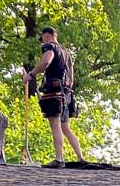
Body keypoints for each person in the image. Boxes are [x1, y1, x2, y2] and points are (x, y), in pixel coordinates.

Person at [22, 27, 84, 168]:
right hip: (66, 94)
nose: (42, 41)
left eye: (42, 37)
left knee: (55, 125)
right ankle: (81, 158)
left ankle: (59, 159)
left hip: (54, 93)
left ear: (46, 35)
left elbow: (45, 62)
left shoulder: (48, 46)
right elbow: (71, 78)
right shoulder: (67, 54)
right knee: (65, 128)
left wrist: (30, 75)